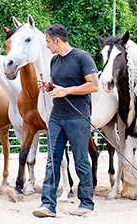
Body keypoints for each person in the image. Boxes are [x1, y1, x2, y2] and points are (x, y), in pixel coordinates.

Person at [33, 24, 99, 218]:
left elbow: (94, 86)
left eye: (47, 41)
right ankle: (48, 205)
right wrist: (47, 86)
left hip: (78, 118)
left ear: (57, 41)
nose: (46, 45)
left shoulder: (82, 57)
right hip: (56, 117)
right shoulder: (54, 61)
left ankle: (86, 203)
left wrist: (67, 90)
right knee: (52, 161)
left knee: (81, 160)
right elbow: (56, 87)